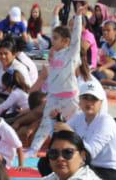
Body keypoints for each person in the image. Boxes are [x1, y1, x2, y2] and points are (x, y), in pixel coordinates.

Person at [28, 9, 85, 154]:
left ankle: (77, 148)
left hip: (70, 98)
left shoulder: (71, 54)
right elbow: (55, 28)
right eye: (52, 37)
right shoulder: (53, 53)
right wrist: (55, 14)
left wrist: (78, 17)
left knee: (71, 125)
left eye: (55, 38)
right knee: (45, 124)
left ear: (66, 41)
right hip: (54, 96)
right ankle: (33, 149)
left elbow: (76, 38)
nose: (51, 40)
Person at [52, 80, 116, 180]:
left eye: (94, 99)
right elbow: (57, 138)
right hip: (84, 165)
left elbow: (90, 153)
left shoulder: (106, 122)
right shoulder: (79, 117)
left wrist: (69, 131)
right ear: (79, 101)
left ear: (101, 103)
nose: (89, 103)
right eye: (85, 98)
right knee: (47, 161)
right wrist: (54, 121)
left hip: (105, 170)